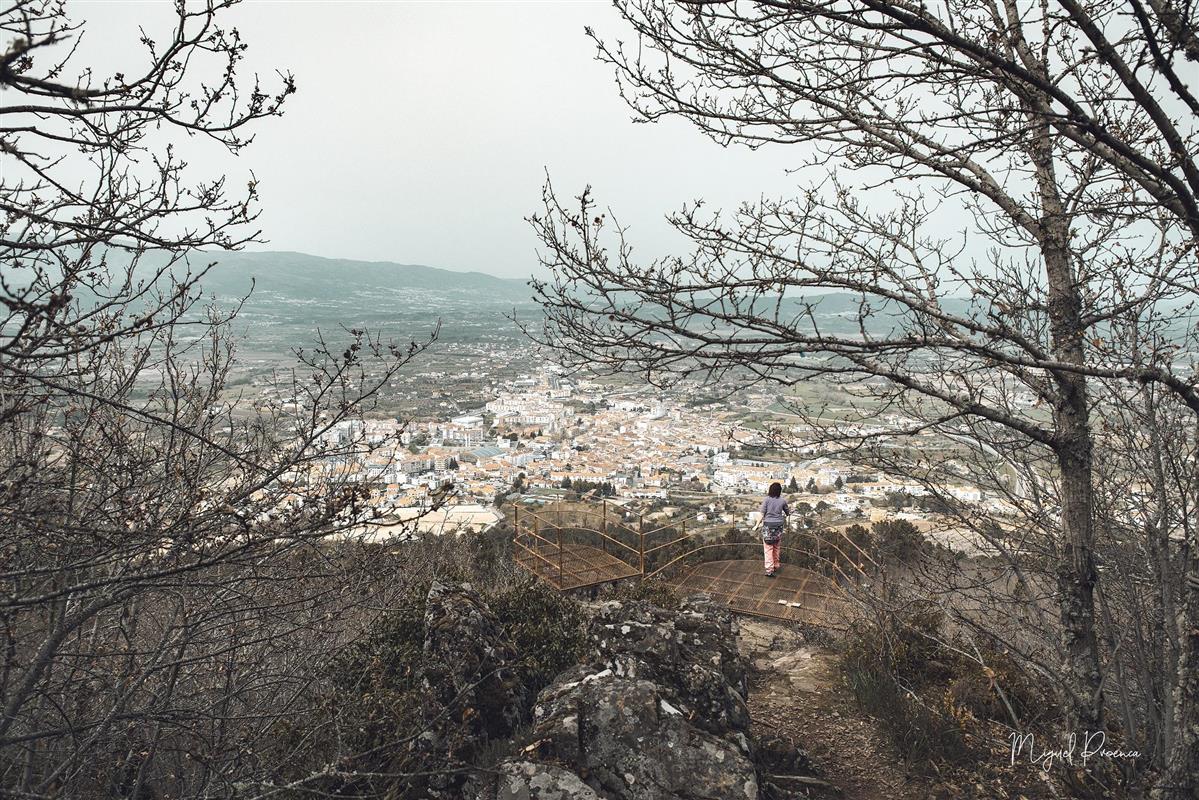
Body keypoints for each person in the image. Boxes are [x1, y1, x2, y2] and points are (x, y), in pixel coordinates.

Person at [755, 481, 790, 577]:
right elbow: (787, 512)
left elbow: (762, 514)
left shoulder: (766, 500)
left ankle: (769, 569)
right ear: (779, 491)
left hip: (768, 526)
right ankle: (776, 564)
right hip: (779, 526)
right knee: (776, 546)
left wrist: (756, 525)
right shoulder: (782, 500)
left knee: (768, 547)